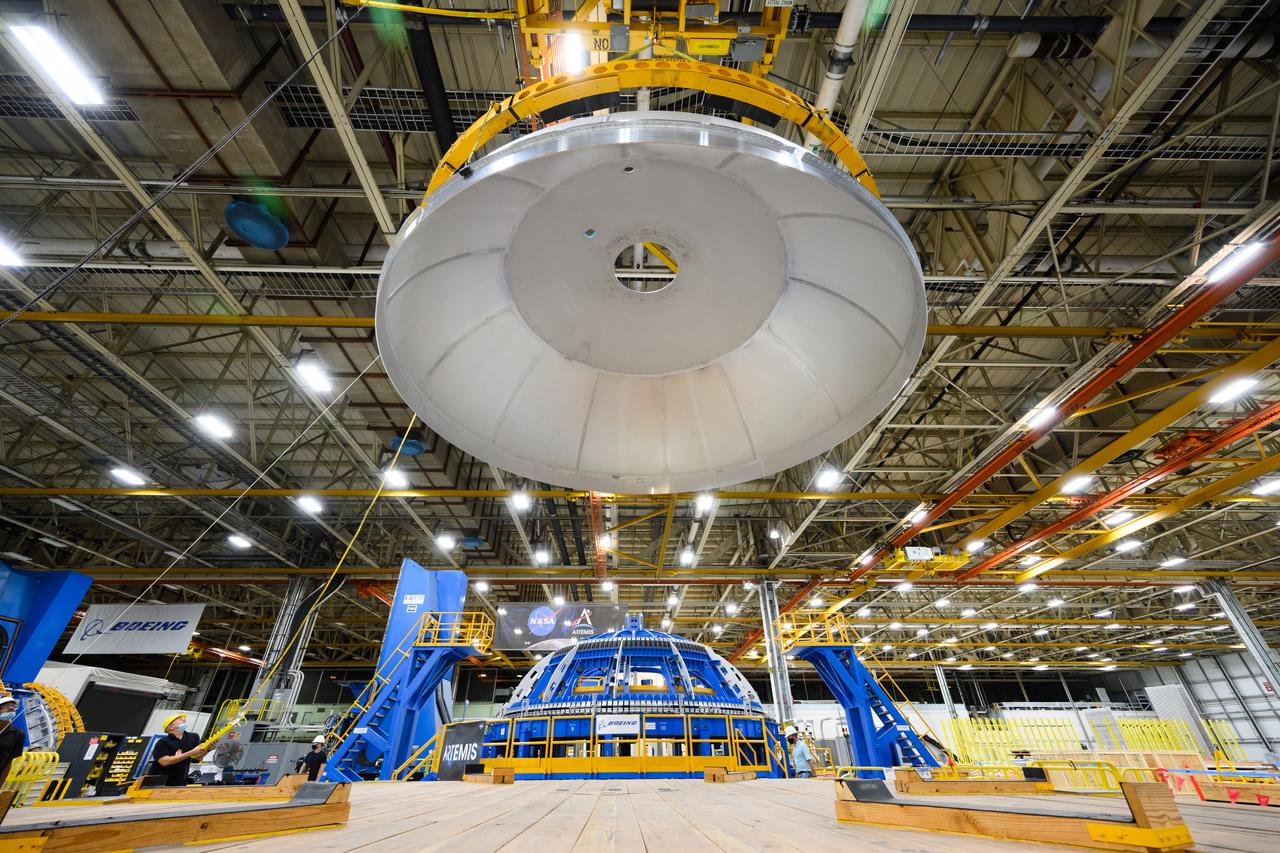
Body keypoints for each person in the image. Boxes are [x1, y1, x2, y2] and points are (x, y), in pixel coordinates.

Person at [150, 713, 216, 786]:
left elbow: (197, 757)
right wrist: (190, 752)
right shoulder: (163, 742)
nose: (184, 719)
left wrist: (208, 750)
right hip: (161, 783)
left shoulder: (193, 737)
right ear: (172, 726)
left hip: (180, 781)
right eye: (180, 719)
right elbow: (164, 762)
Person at [0, 694, 26, 786]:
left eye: (12, 707)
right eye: (5, 707)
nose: (9, 709)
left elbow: (9, 763)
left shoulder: (18, 734)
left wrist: (1, 783)